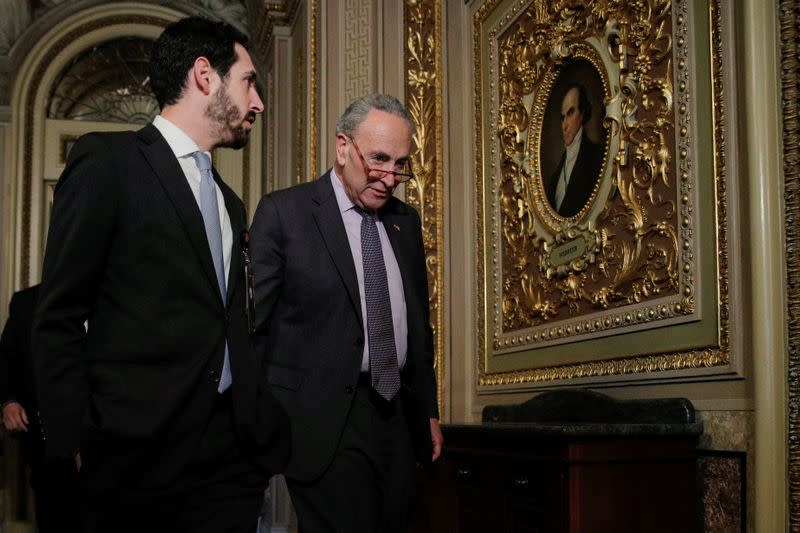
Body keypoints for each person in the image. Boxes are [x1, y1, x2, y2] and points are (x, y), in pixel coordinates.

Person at [32, 17, 289, 533]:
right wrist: (74, 439)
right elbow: (58, 314)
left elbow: (229, 319)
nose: (258, 102)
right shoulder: (109, 164)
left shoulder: (230, 203)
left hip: (229, 458)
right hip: (134, 457)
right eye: (248, 81)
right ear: (204, 75)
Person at [249, 93, 443, 532]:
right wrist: (254, 417)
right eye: (378, 159)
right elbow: (253, 327)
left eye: (400, 164)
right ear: (343, 147)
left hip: (395, 417)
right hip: (321, 421)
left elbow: (418, 326)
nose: (390, 176)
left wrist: (428, 410)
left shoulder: (404, 223)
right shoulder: (285, 213)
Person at [0, 284, 80, 532]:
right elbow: (6, 359)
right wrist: (8, 401)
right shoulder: (26, 302)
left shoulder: (105, 296)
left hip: (102, 439)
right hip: (45, 444)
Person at [545, 83, 604, 217]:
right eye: (562, 117)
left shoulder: (597, 157)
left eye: (571, 113)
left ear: (582, 114)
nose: (564, 125)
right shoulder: (556, 176)